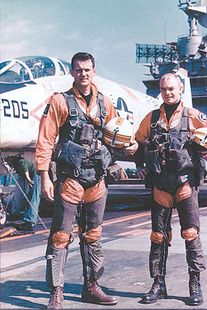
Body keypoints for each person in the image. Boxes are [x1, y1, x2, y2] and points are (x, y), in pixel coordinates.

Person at [35, 52, 136, 309]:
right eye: (79, 70)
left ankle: (91, 286)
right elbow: (46, 139)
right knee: (60, 236)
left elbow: (115, 133)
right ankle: (56, 291)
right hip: (70, 179)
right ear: (72, 72)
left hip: (97, 180)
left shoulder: (104, 103)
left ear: (94, 71)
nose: (84, 74)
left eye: (88, 70)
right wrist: (45, 175)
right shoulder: (60, 102)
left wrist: (130, 145)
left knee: (93, 235)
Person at [133, 73, 207, 306]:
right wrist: (139, 166)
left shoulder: (193, 116)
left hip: (185, 184)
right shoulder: (152, 118)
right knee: (158, 236)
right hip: (160, 185)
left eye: (172, 89)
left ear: (179, 90)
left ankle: (194, 284)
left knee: (190, 234)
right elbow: (138, 141)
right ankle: (158, 284)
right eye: (164, 89)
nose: (168, 93)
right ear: (161, 90)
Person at [5, 154, 41, 232]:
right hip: (24, 176)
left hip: (34, 175)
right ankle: (15, 213)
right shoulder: (15, 165)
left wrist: (28, 180)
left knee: (33, 198)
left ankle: (30, 222)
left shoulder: (21, 161)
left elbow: (25, 169)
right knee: (18, 195)